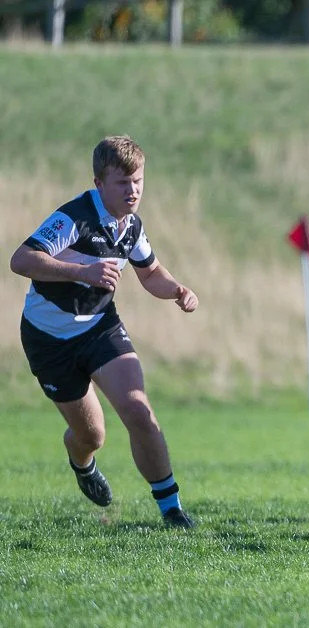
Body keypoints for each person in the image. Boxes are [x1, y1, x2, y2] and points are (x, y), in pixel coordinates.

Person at [10, 135, 199, 528]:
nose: (132, 191)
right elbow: (22, 259)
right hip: (49, 340)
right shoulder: (74, 218)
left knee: (137, 410)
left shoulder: (130, 226)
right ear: (99, 183)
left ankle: (172, 510)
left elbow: (150, 272)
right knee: (91, 436)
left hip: (99, 327)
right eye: (122, 183)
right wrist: (82, 272)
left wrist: (177, 290)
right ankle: (82, 462)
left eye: (138, 181)